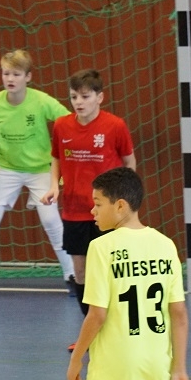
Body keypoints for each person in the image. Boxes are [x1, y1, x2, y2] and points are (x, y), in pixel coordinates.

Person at [67, 167, 191, 380]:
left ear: (120, 206)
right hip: (154, 367)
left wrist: (77, 359)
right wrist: (179, 369)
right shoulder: (165, 245)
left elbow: (97, 315)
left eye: (98, 204)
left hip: (114, 370)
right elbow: (179, 314)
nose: (92, 211)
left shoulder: (101, 247)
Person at [0, 50, 75, 298]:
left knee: (51, 221)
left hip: (41, 170)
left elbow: (68, 123)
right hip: (6, 169)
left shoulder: (42, 101)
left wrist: (65, 163)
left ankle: (71, 275)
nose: (10, 79)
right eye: (6, 73)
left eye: (16, 74)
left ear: (28, 77)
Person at [41, 69, 136, 351]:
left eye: (84, 96)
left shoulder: (115, 126)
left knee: (113, 272)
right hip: (74, 211)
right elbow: (56, 158)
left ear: (99, 97)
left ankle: (119, 330)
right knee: (81, 273)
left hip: (108, 214)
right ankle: (92, 331)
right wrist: (54, 186)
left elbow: (129, 162)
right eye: (74, 97)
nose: (78, 102)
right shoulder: (61, 126)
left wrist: (125, 200)